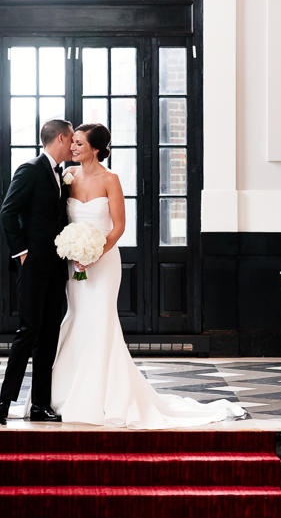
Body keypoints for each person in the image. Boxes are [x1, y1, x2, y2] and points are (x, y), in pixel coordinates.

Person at [50, 122, 247, 427]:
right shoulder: (68, 177)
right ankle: (66, 391)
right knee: (77, 318)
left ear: (96, 148)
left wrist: (94, 254)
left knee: (100, 321)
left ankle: (104, 397)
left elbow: (118, 227)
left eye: (79, 143)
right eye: (72, 142)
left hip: (102, 261)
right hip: (74, 261)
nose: (72, 148)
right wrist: (74, 252)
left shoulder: (110, 179)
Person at [0, 119, 73, 425]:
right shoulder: (30, 169)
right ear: (61, 138)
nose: (74, 144)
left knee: (49, 335)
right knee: (28, 332)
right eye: (71, 139)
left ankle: (40, 404)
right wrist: (22, 253)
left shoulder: (61, 174)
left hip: (56, 268)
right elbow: (7, 212)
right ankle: (3, 402)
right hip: (34, 265)